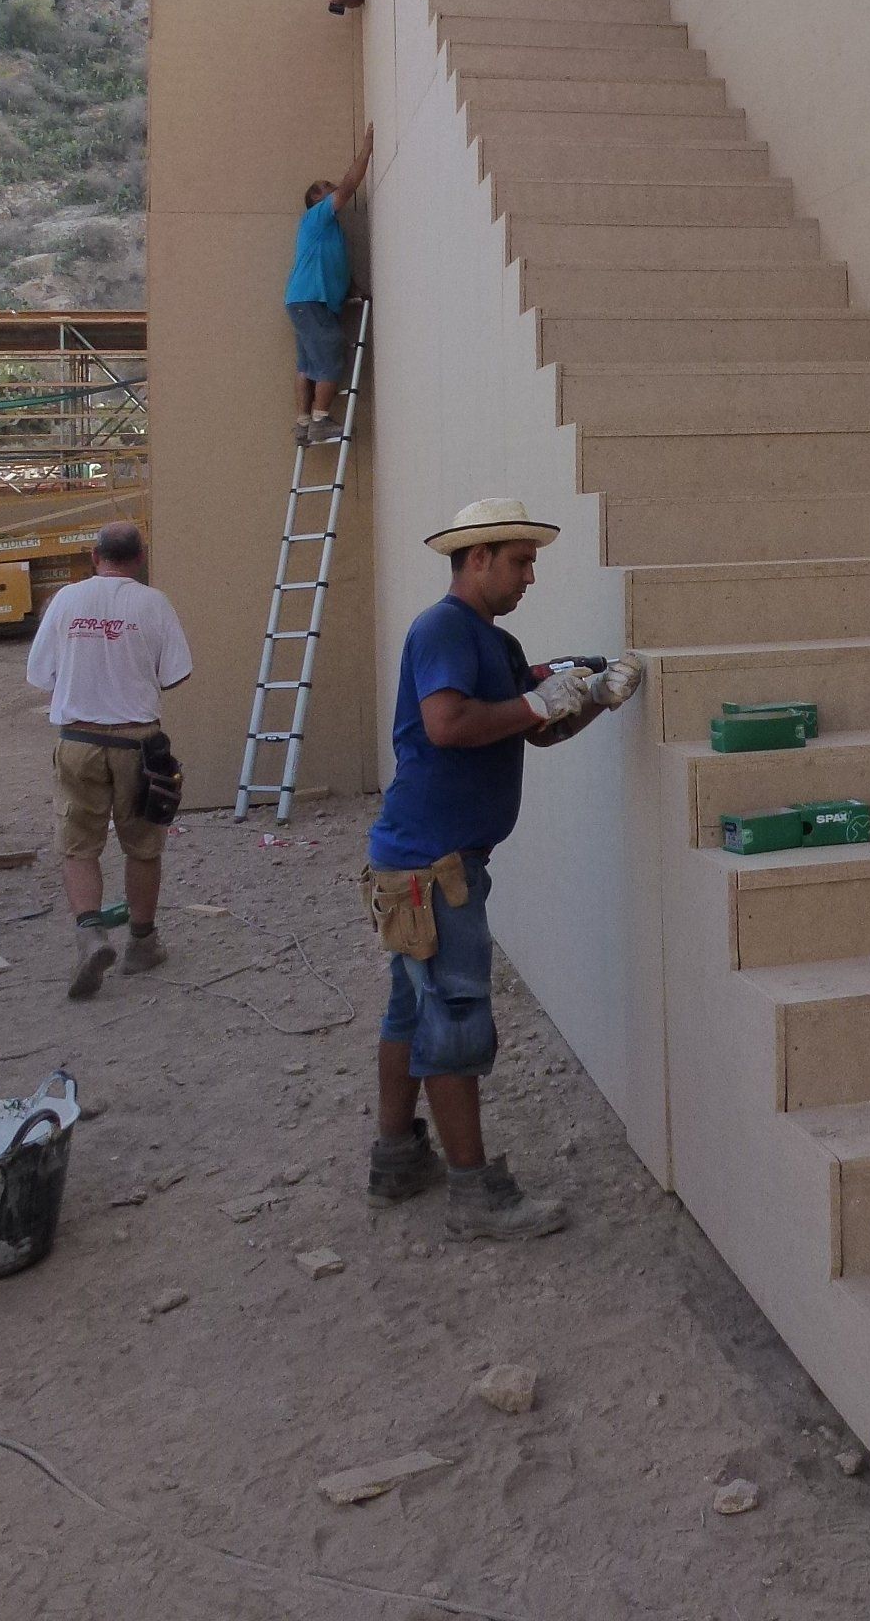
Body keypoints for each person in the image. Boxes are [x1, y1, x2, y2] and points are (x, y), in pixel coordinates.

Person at [363, 498, 644, 1238]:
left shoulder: (495, 640)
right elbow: (447, 724)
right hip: (434, 866)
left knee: (412, 1008)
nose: (529, 577)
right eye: (520, 562)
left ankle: (396, 1159)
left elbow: (537, 730)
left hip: (425, 858)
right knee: (454, 1020)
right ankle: (472, 1194)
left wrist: (592, 699)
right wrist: (537, 701)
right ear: (478, 557)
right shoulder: (444, 629)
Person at [25, 521, 193, 1001]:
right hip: (138, 745)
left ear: (94, 557)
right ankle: (142, 942)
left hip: (78, 740)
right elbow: (176, 673)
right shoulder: (154, 603)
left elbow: (40, 674)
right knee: (142, 845)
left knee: (79, 845)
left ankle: (90, 934)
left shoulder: (65, 600)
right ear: (140, 559)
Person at [286, 123, 374, 447]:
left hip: (306, 301)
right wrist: (367, 149)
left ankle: (303, 423)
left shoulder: (329, 231)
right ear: (316, 199)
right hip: (311, 302)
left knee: (309, 364)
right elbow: (349, 186)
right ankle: (320, 421)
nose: (333, 186)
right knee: (331, 353)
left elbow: (336, 268)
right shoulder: (317, 217)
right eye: (326, 187)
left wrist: (355, 290)